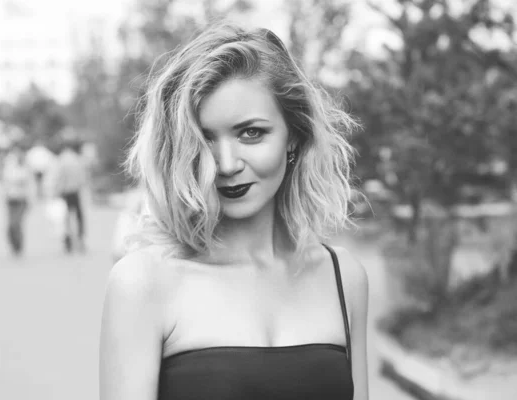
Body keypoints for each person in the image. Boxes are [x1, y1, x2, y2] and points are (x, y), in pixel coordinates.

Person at [99, 24, 369, 400]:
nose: (226, 164)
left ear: (293, 135)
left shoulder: (343, 277)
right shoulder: (142, 283)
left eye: (251, 133)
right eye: (205, 139)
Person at [51, 141, 88, 253]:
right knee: (78, 217)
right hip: (75, 191)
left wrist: (56, 191)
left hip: (65, 192)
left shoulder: (61, 160)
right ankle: (80, 238)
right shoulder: (77, 160)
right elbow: (83, 178)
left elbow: (58, 177)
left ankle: (68, 240)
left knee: (65, 218)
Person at [2, 147, 35, 257]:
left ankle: (19, 246)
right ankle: (13, 245)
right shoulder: (9, 169)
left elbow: (29, 186)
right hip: (11, 200)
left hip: (21, 200)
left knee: (17, 224)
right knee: (11, 225)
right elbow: (5, 184)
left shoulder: (25, 170)